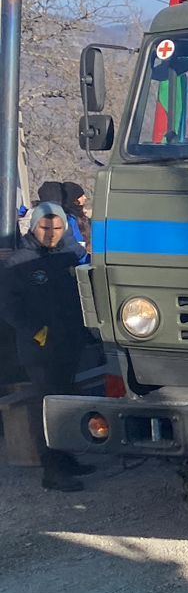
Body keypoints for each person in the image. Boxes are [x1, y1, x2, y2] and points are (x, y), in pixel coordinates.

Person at [0, 204, 94, 492]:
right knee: (48, 406)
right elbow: (8, 306)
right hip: (39, 347)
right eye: (45, 228)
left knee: (66, 402)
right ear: (34, 227)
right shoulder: (18, 262)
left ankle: (67, 458)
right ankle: (52, 470)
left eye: (56, 229)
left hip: (68, 342)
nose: (51, 234)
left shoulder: (68, 254)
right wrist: (36, 331)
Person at [60, 181, 91, 251]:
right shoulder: (69, 219)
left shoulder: (80, 216)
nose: (85, 198)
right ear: (74, 199)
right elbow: (76, 243)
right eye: (81, 196)